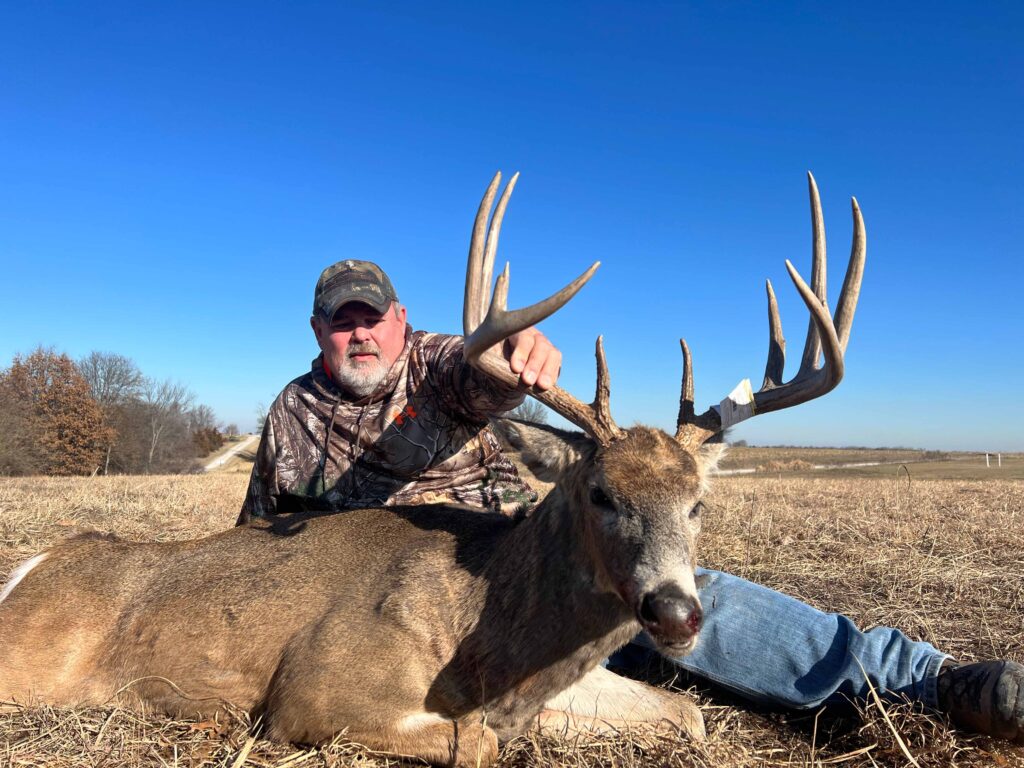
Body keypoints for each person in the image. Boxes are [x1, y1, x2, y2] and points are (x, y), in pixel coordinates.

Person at [237, 258, 1024, 744]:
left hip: (520, 557)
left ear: (401, 322)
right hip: (380, 604)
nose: (360, 335)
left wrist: (516, 360)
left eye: (373, 318)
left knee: (677, 594)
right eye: (342, 324)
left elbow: (480, 373)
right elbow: (255, 545)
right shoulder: (288, 416)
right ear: (318, 331)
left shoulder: (441, 363)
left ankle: (924, 681)